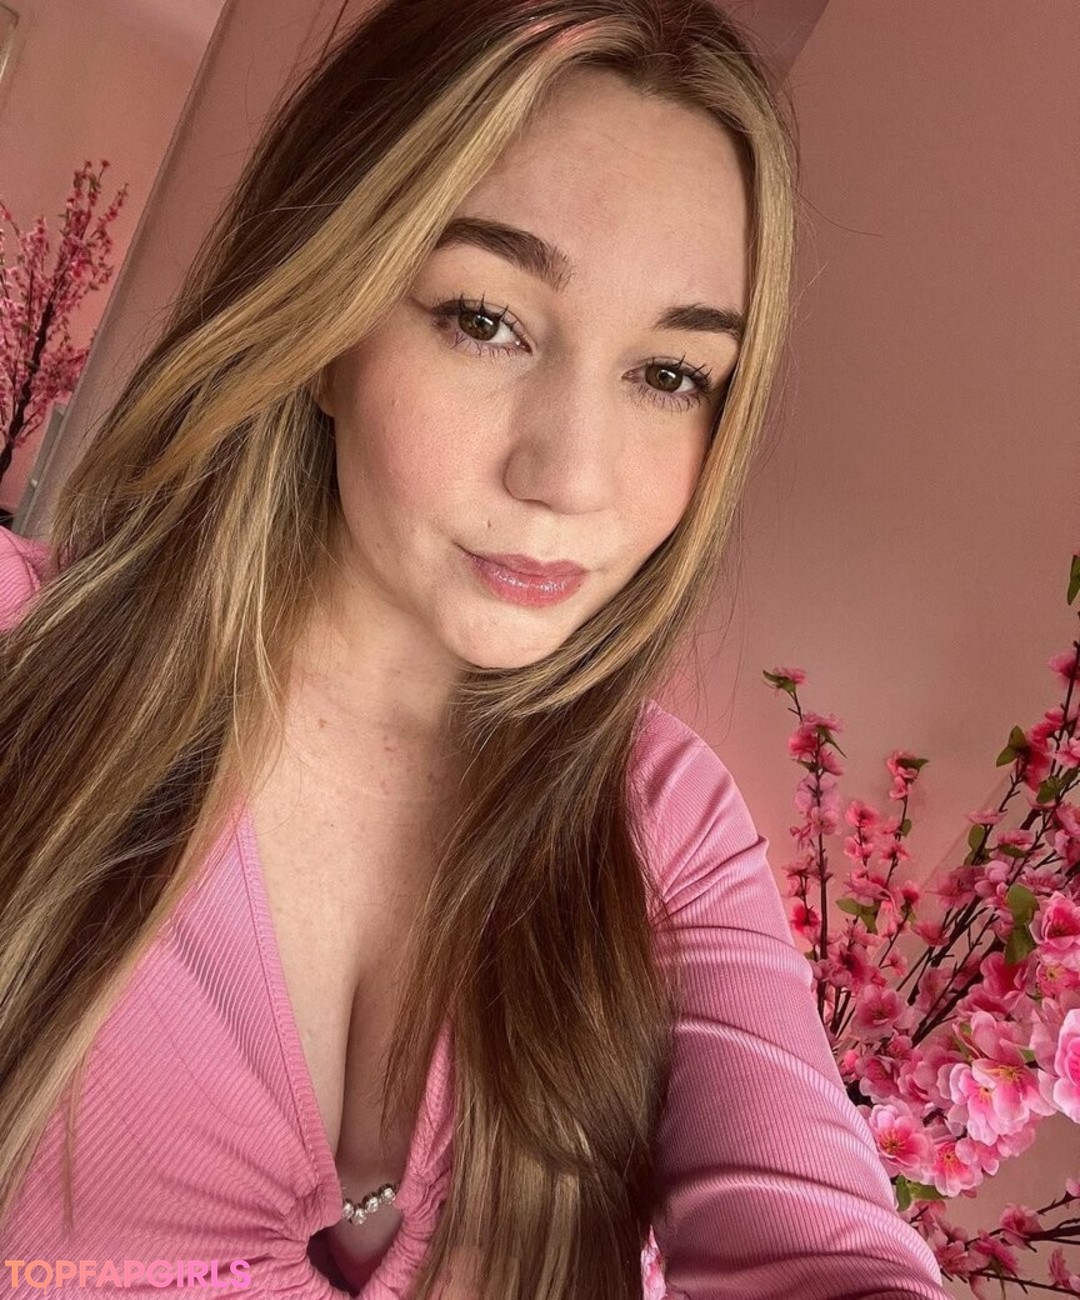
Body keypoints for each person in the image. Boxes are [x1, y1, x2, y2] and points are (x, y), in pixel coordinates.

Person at [0, 0, 954, 1296]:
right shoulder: (28, 659)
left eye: (671, 374)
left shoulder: (662, 820)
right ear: (327, 319)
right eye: (487, 319)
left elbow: (823, 1255)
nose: (571, 476)